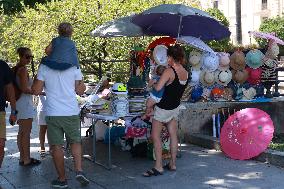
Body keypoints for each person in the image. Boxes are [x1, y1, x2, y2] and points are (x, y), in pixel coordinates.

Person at [32, 59, 89, 188]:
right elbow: (80, 90)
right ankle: (79, 170)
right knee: (75, 141)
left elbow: (35, 90)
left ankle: (62, 179)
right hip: (71, 112)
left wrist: (39, 74)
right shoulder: (74, 65)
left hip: (53, 112)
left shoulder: (44, 67)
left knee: (56, 146)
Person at [143, 44, 189, 177]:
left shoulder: (169, 71)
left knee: (155, 136)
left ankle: (158, 167)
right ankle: (172, 164)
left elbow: (158, 89)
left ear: (170, 57)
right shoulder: (185, 72)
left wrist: (152, 84)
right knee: (173, 135)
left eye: (167, 56)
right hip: (174, 107)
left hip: (163, 108)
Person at [15, 47, 40, 166]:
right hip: (25, 103)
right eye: (27, 56)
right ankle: (26, 159)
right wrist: (38, 91)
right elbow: (25, 89)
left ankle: (22, 157)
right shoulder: (23, 70)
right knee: (26, 132)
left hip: (19, 103)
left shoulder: (15, 69)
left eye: (31, 57)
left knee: (21, 132)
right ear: (20, 56)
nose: (29, 59)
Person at [0, 60, 17, 171]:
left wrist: (14, 111)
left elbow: (10, 88)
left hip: (0, 111)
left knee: (1, 145)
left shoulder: (2, 65)